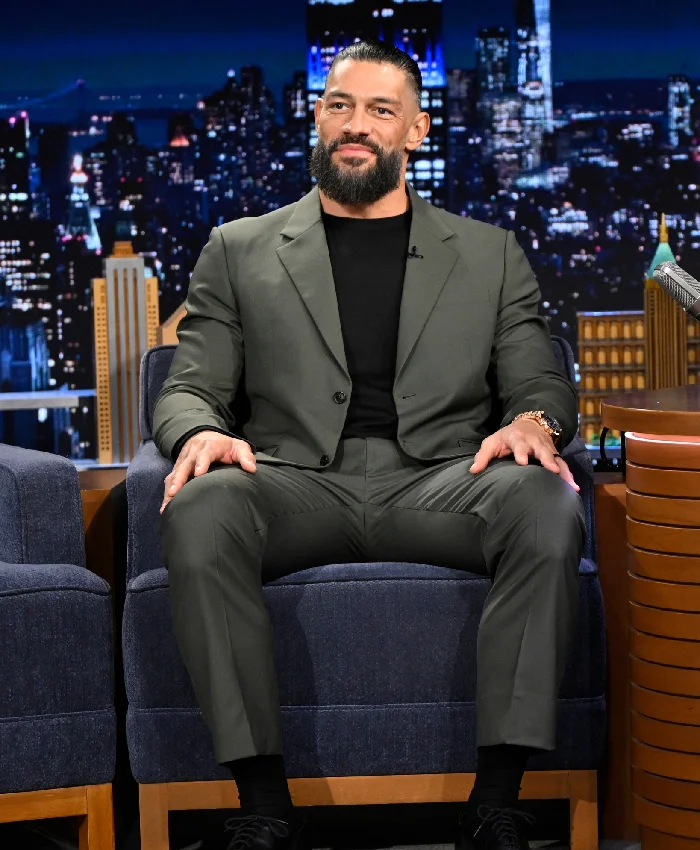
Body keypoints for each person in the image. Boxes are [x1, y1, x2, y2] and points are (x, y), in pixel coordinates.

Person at [154, 40, 585, 850]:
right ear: (318, 119)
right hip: (291, 482)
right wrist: (202, 430)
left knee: (544, 502)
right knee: (201, 509)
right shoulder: (238, 249)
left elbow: (540, 382)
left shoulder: (489, 254)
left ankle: (496, 803)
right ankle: (264, 806)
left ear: (416, 130)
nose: (356, 125)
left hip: (444, 481)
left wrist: (535, 423)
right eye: (340, 106)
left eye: (381, 110)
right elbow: (188, 387)